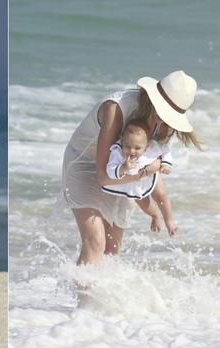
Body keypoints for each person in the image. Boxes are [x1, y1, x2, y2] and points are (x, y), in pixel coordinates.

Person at [62, 70, 202, 266]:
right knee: (95, 241)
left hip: (128, 170)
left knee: (112, 250)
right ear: (152, 99)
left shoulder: (163, 124)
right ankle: (84, 296)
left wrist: (160, 211)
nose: (162, 121)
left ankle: (101, 296)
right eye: (163, 112)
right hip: (85, 163)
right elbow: (103, 176)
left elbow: (150, 165)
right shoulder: (117, 108)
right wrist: (143, 175)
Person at [101, 119, 177, 236]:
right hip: (133, 182)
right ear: (122, 142)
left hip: (150, 172)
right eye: (128, 146)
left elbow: (165, 150)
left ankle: (169, 220)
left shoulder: (151, 146)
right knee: (144, 204)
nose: (132, 151)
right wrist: (123, 168)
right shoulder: (118, 151)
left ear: (147, 145)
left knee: (161, 195)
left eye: (137, 148)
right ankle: (155, 215)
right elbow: (110, 171)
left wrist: (166, 163)